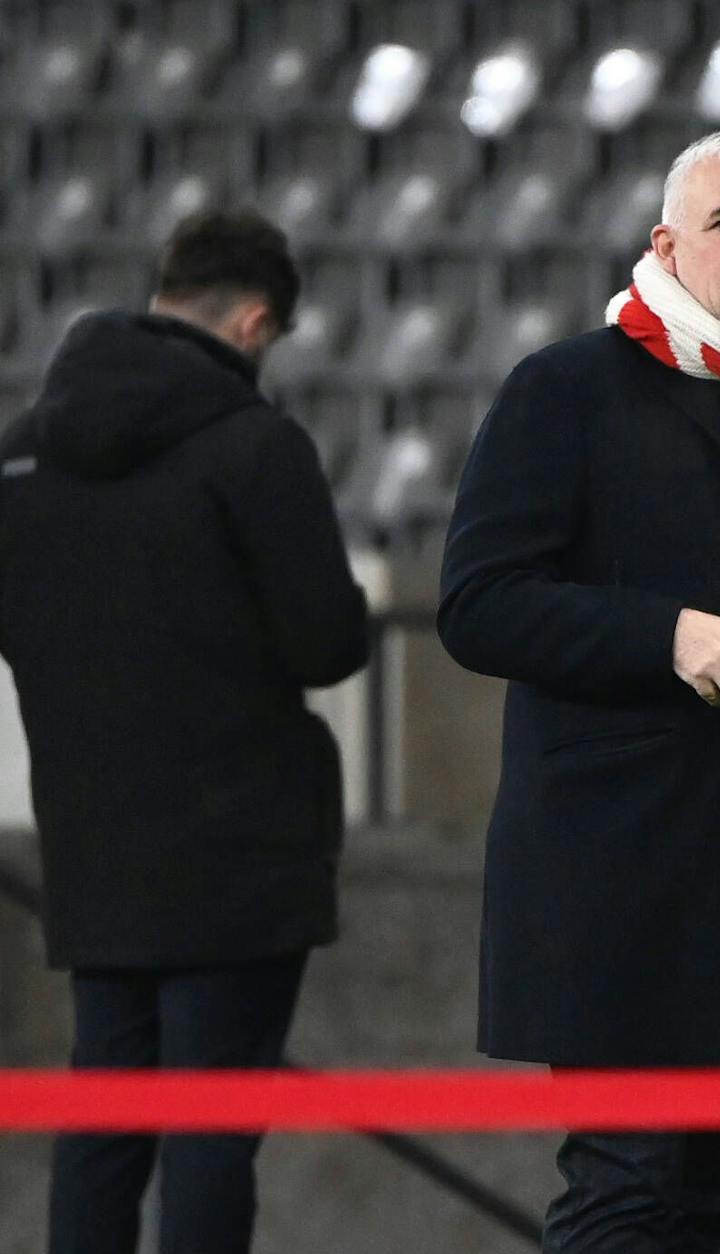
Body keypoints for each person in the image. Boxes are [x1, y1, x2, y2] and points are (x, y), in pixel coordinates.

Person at [437, 129, 720, 1254]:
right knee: (623, 1195)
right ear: (666, 244)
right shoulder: (567, 388)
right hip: (616, 883)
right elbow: (479, 601)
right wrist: (666, 637)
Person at [0, 209, 369, 1254]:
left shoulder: (22, 454)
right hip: (238, 857)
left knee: (102, 1117)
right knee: (210, 1134)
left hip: (92, 843)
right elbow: (324, 644)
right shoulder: (253, 446)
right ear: (254, 322)